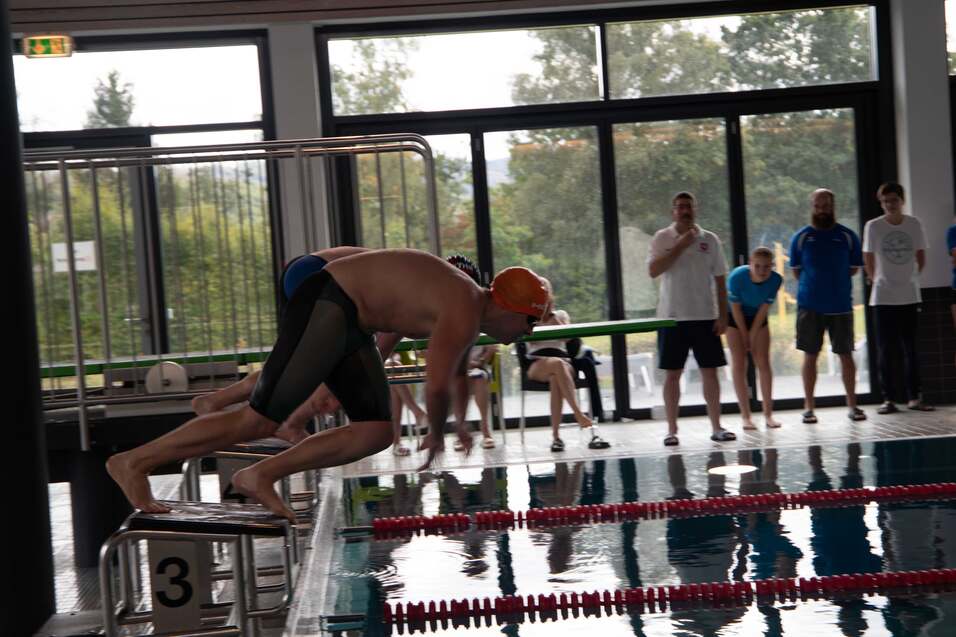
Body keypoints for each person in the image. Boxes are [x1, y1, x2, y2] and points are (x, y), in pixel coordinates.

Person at [107, 250, 551, 521]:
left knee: (375, 430)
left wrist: (450, 426)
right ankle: (134, 461)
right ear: (512, 308)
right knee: (260, 419)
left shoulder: (464, 303)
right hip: (328, 299)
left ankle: (260, 474)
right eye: (531, 321)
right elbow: (436, 384)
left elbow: (436, 367)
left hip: (350, 318)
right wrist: (438, 432)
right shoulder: (465, 305)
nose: (529, 333)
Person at [190, 245, 370, 444]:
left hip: (308, 270)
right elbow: (382, 347)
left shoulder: (401, 268)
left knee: (301, 360)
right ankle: (290, 423)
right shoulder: (407, 288)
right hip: (318, 275)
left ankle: (217, 401)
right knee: (320, 361)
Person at [648, 191, 733, 446]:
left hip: (705, 315)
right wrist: (681, 245)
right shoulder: (662, 237)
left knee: (711, 372)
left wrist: (723, 314)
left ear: (695, 209)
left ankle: (717, 426)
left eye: (689, 206)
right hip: (672, 317)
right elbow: (654, 270)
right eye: (680, 207)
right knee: (672, 374)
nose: (685, 210)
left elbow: (720, 279)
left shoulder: (710, 239)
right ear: (673, 211)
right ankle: (671, 430)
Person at [789, 188, 866, 424]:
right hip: (810, 306)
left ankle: (853, 405)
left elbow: (854, 268)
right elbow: (796, 271)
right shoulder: (801, 237)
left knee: (845, 355)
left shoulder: (847, 236)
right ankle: (809, 407)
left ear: (833, 207)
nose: (822, 210)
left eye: (826, 206)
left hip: (840, 305)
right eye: (818, 206)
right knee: (810, 356)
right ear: (812, 207)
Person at [862, 182, 933, 413]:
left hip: (909, 295)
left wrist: (911, 278)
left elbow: (921, 256)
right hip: (883, 296)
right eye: (885, 201)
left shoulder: (914, 224)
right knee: (885, 349)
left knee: (910, 348)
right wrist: (877, 280)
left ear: (902, 201)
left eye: (894, 200)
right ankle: (888, 398)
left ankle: (914, 397)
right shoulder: (873, 226)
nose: (890, 205)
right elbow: (869, 258)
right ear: (881, 203)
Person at [525, 307, 610, 452]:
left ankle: (556, 437)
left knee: (556, 375)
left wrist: (554, 319)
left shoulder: (560, 315)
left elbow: (569, 337)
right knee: (556, 365)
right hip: (538, 363)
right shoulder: (528, 317)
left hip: (564, 362)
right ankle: (578, 414)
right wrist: (538, 320)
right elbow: (527, 341)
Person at [725, 246, 784, 430]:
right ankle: (746, 417)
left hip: (757, 317)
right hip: (735, 318)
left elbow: (763, 311)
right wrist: (744, 335)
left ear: (772, 266)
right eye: (757, 266)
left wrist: (752, 334)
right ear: (750, 264)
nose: (761, 271)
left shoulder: (775, 280)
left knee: (763, 363)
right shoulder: (737, 277)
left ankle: (768, 415)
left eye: (766, 267)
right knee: (739, 363)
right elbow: (735, 309)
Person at [452, 344, 497, 451]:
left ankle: (485, 430)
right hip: (456, 369)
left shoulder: (484, 328)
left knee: (479, 378)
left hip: (478, 369)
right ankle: (461, 430)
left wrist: (480, 361)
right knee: (458, 381)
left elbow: (492, 348)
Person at [384, 353, 428, 456]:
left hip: (396, 378)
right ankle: (417, 413)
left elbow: (396, 354)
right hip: (373, 380)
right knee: (392, 369)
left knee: (393, 370)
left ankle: (397, 443)